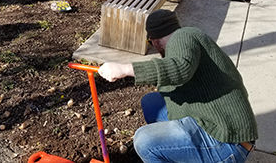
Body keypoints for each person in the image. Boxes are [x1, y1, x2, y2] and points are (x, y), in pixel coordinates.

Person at [98, 9, 258, 162]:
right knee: (152, 103)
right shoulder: (189, 39)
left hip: (226, 142)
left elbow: (180, 68)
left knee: (144, 141)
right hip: (223, 128)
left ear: (154, 40)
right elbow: (175, 77)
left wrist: (124, 69)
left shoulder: (183, 37)